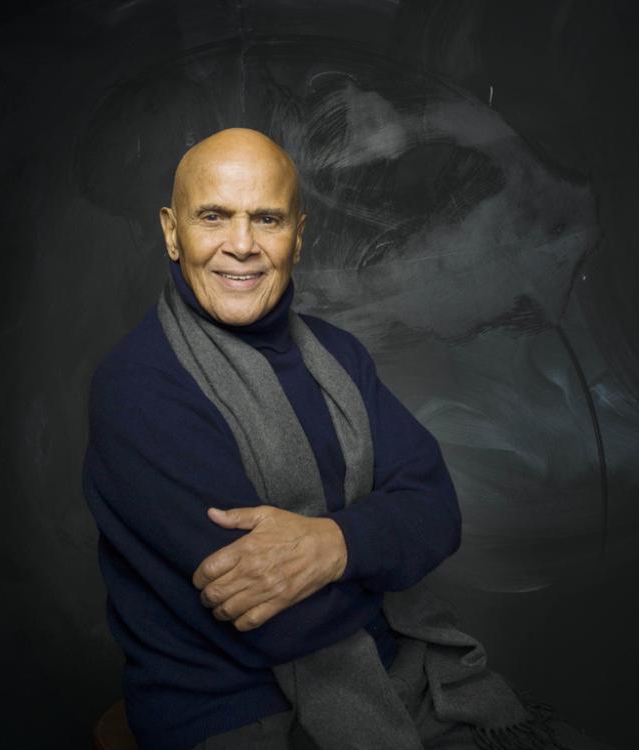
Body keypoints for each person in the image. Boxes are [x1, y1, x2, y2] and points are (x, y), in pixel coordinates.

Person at [83, 128, 607, 750]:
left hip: (401, 675)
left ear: (299, 234)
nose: (241, 245)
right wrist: (383, 556)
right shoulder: (139, 388)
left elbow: (438, 511)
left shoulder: (339, 355)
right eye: (214, 216)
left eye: (267, 218)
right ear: (173, 232)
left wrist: (335, 544)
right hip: (234, 713)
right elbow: (275, 621)